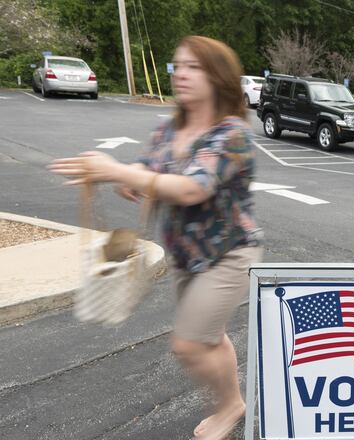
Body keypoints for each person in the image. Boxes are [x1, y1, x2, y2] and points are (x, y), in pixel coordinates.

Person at [49, 36, 261, 439]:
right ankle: (231, 400)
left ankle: (229, 406)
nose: (180, 73)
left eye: (193, 67)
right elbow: (147, 171)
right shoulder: (170, 129)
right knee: (209, 337)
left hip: (228, 253)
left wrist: (119, 172)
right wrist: (128, 182)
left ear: (218, 78)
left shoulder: (232, 134)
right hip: (185, 253)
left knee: (188, 344)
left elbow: (191, 188)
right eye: (177, 65)